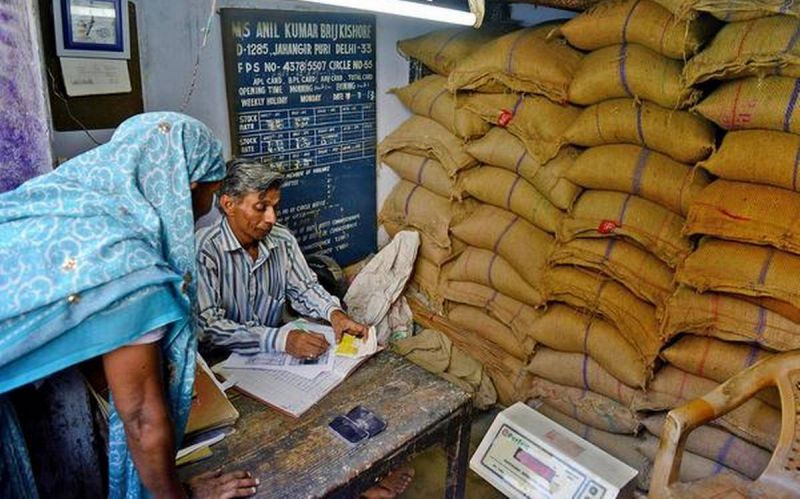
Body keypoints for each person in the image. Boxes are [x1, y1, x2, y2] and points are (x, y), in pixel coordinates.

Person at [0, 113, 258, 499]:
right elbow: (140, 419)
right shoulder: (128, 266)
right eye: (213, 190)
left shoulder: (61, 198)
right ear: (188, 186)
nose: (211, 207)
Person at [195, 159, 368, 360]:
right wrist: (281, 340)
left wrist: (334, 314)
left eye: (275, 207)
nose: (271, 219)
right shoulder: (204, 249)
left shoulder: (282, 239)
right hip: (219, 363)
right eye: (261, 207)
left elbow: (304, 288)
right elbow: (208, 326)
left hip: (270, 358)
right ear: (228, 205)